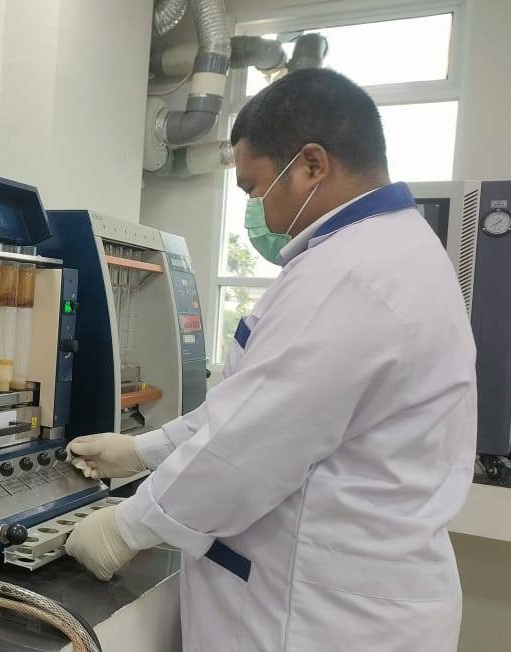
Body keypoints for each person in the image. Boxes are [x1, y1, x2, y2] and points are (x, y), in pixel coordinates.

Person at [63, 68, 476, 651]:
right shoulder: (386, 250)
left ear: (312, 165)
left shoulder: (350, 275)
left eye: (256, 189)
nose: (259, 211)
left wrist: (126, 527)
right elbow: (254, 404)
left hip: (323, 617)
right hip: (343, 595)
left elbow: (252, 444)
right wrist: (141, 451)